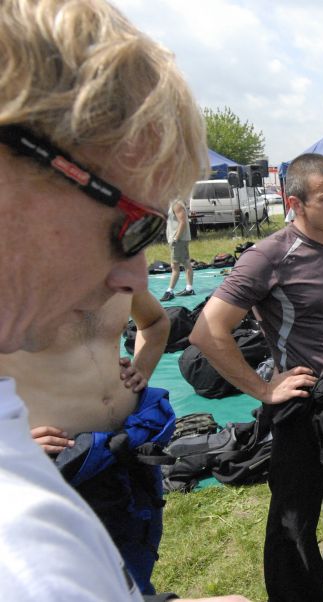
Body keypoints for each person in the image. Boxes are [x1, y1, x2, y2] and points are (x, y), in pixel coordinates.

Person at [0, 1, 247, 600]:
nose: (137, 272)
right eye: (132, 226)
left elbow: (154, 325)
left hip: (117, 451)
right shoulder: (25, 556)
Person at [190, 153, 323, 602]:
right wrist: (265, 389)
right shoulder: (269, 256)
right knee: (293, 516)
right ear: (295, 202)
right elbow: (207, 331)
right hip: (302, 405)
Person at [0, 290, 172, 594]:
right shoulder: (14, 279)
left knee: (137, 559)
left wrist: (141, 368)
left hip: (126, 449)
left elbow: (155, 321)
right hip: (63, 465)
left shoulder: (116, 271)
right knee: (78, 583)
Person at [160, 198, 194, 301]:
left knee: (175, 266)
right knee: (186, 263)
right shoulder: (173, 203)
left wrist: (176, 238)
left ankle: (169, 291)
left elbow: (182, 222)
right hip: (179, 240)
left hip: (178, 240)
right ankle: (189, 289)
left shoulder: (176, 204)